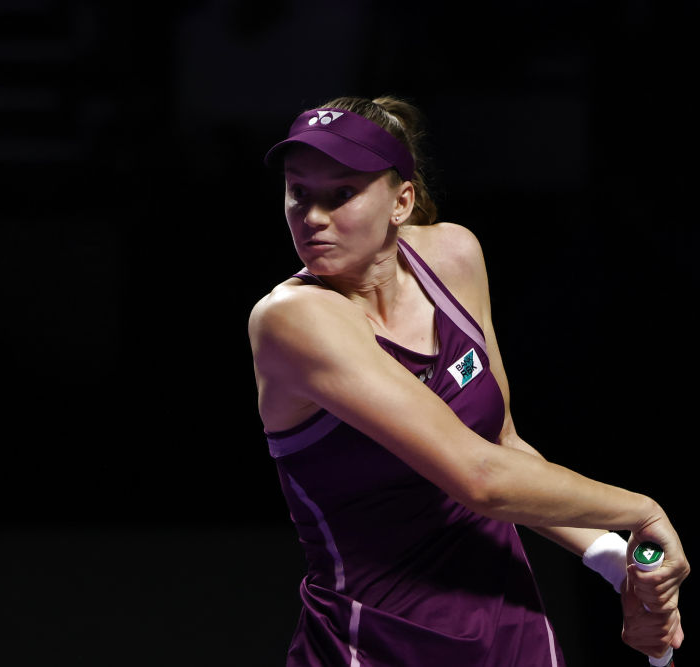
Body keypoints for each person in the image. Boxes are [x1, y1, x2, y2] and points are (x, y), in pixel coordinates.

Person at [247, 95, 689, 666]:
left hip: (509, 624)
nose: (312, 217)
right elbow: (479, 476)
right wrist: (642, 511)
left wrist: (612, 561)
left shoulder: (452, 256)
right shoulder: (293, 319)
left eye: (341, 194)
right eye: (299, 192)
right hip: (374, 641)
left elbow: (502, 445)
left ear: (401, 201)